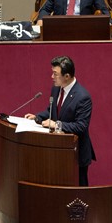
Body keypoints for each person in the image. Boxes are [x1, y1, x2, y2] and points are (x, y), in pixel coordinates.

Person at [25, 55, 95, 186]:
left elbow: (81, 126)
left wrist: (57, 124)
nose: (52, 77)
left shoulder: (83, 97)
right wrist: (37, 117)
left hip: (76, 153)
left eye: (55, 74)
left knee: (78, 192)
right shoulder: (56, 89)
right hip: (58, 152)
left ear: (67, 76)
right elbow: (52, 110)